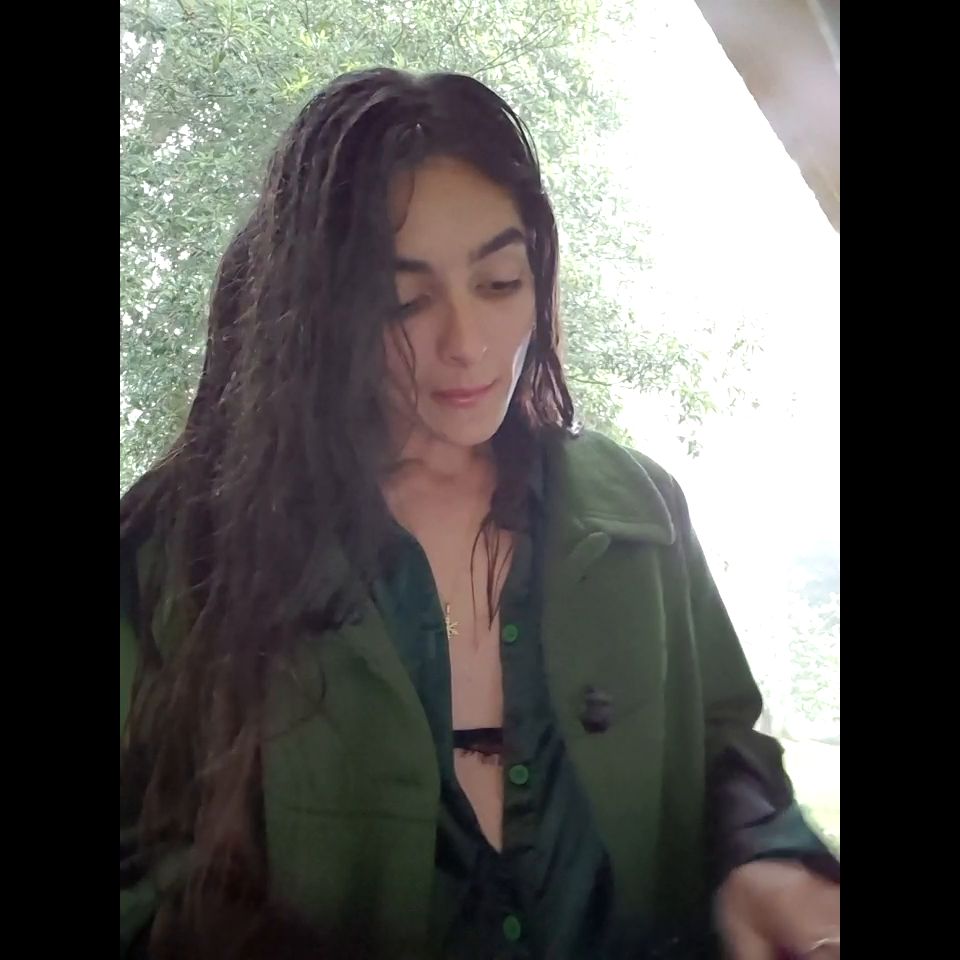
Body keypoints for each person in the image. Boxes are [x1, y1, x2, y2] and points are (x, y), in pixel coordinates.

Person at [120, 68, 839, 959]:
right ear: (318, 307)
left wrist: (763, 860)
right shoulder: (181, 552)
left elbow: (723, 747)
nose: (467, 344)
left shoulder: (638, 515)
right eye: (404, 301)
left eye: (499, 282)